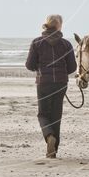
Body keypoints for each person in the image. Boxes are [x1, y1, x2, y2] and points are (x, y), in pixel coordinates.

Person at [25, 14, 77, 159]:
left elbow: (29, 65)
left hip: (43, 82)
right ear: (59, 26)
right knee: (56, 115)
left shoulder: (37, 43)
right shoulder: (66, 44)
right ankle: (54, 149)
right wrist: (61, 72)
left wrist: (40, 68)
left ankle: (49, 137)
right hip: (60, 83)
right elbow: (72, 67)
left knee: (43, 114)